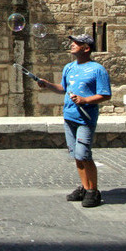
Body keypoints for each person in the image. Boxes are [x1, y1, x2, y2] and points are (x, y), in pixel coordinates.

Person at [37, 33, 111, 208]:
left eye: (76, 43)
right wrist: (47, 84)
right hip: (69, 117)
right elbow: (63, 88)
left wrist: (85, 100)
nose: (71, 45)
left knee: (84, 154)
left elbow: (105, 95)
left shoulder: (97, 69)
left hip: (85, 119)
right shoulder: (69, 67)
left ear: (86, 48)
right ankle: (85, 188)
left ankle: (94, 191)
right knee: (76, 156)